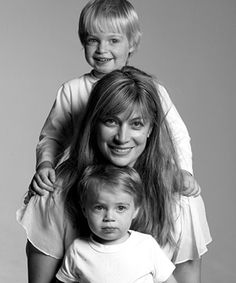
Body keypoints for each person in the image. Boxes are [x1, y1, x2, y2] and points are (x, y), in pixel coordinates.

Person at [17, 66, 211, 283]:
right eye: (111, 121)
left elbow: (187, 277)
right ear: (94, 124)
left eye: (136, 124)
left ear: (150, 129)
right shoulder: (55, 192)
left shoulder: (179, 196)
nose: (122, 137)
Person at [28, 0, 199, 202]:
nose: (102, 49)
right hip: (89, 184)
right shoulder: (72, 91)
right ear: (83, 42)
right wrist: (45, 164)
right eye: (93, 40)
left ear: (132, 43)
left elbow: (177, 134)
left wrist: (184, 171)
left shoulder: (148, 89)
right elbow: (53, 136)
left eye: (113, 40)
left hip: (139, 182)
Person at [56, 164, 177, 283]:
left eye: (120, 208)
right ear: (84, 210)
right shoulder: (78, 250)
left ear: (135, 211)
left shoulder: (146, 245)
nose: (109, 217)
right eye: (99, 208)